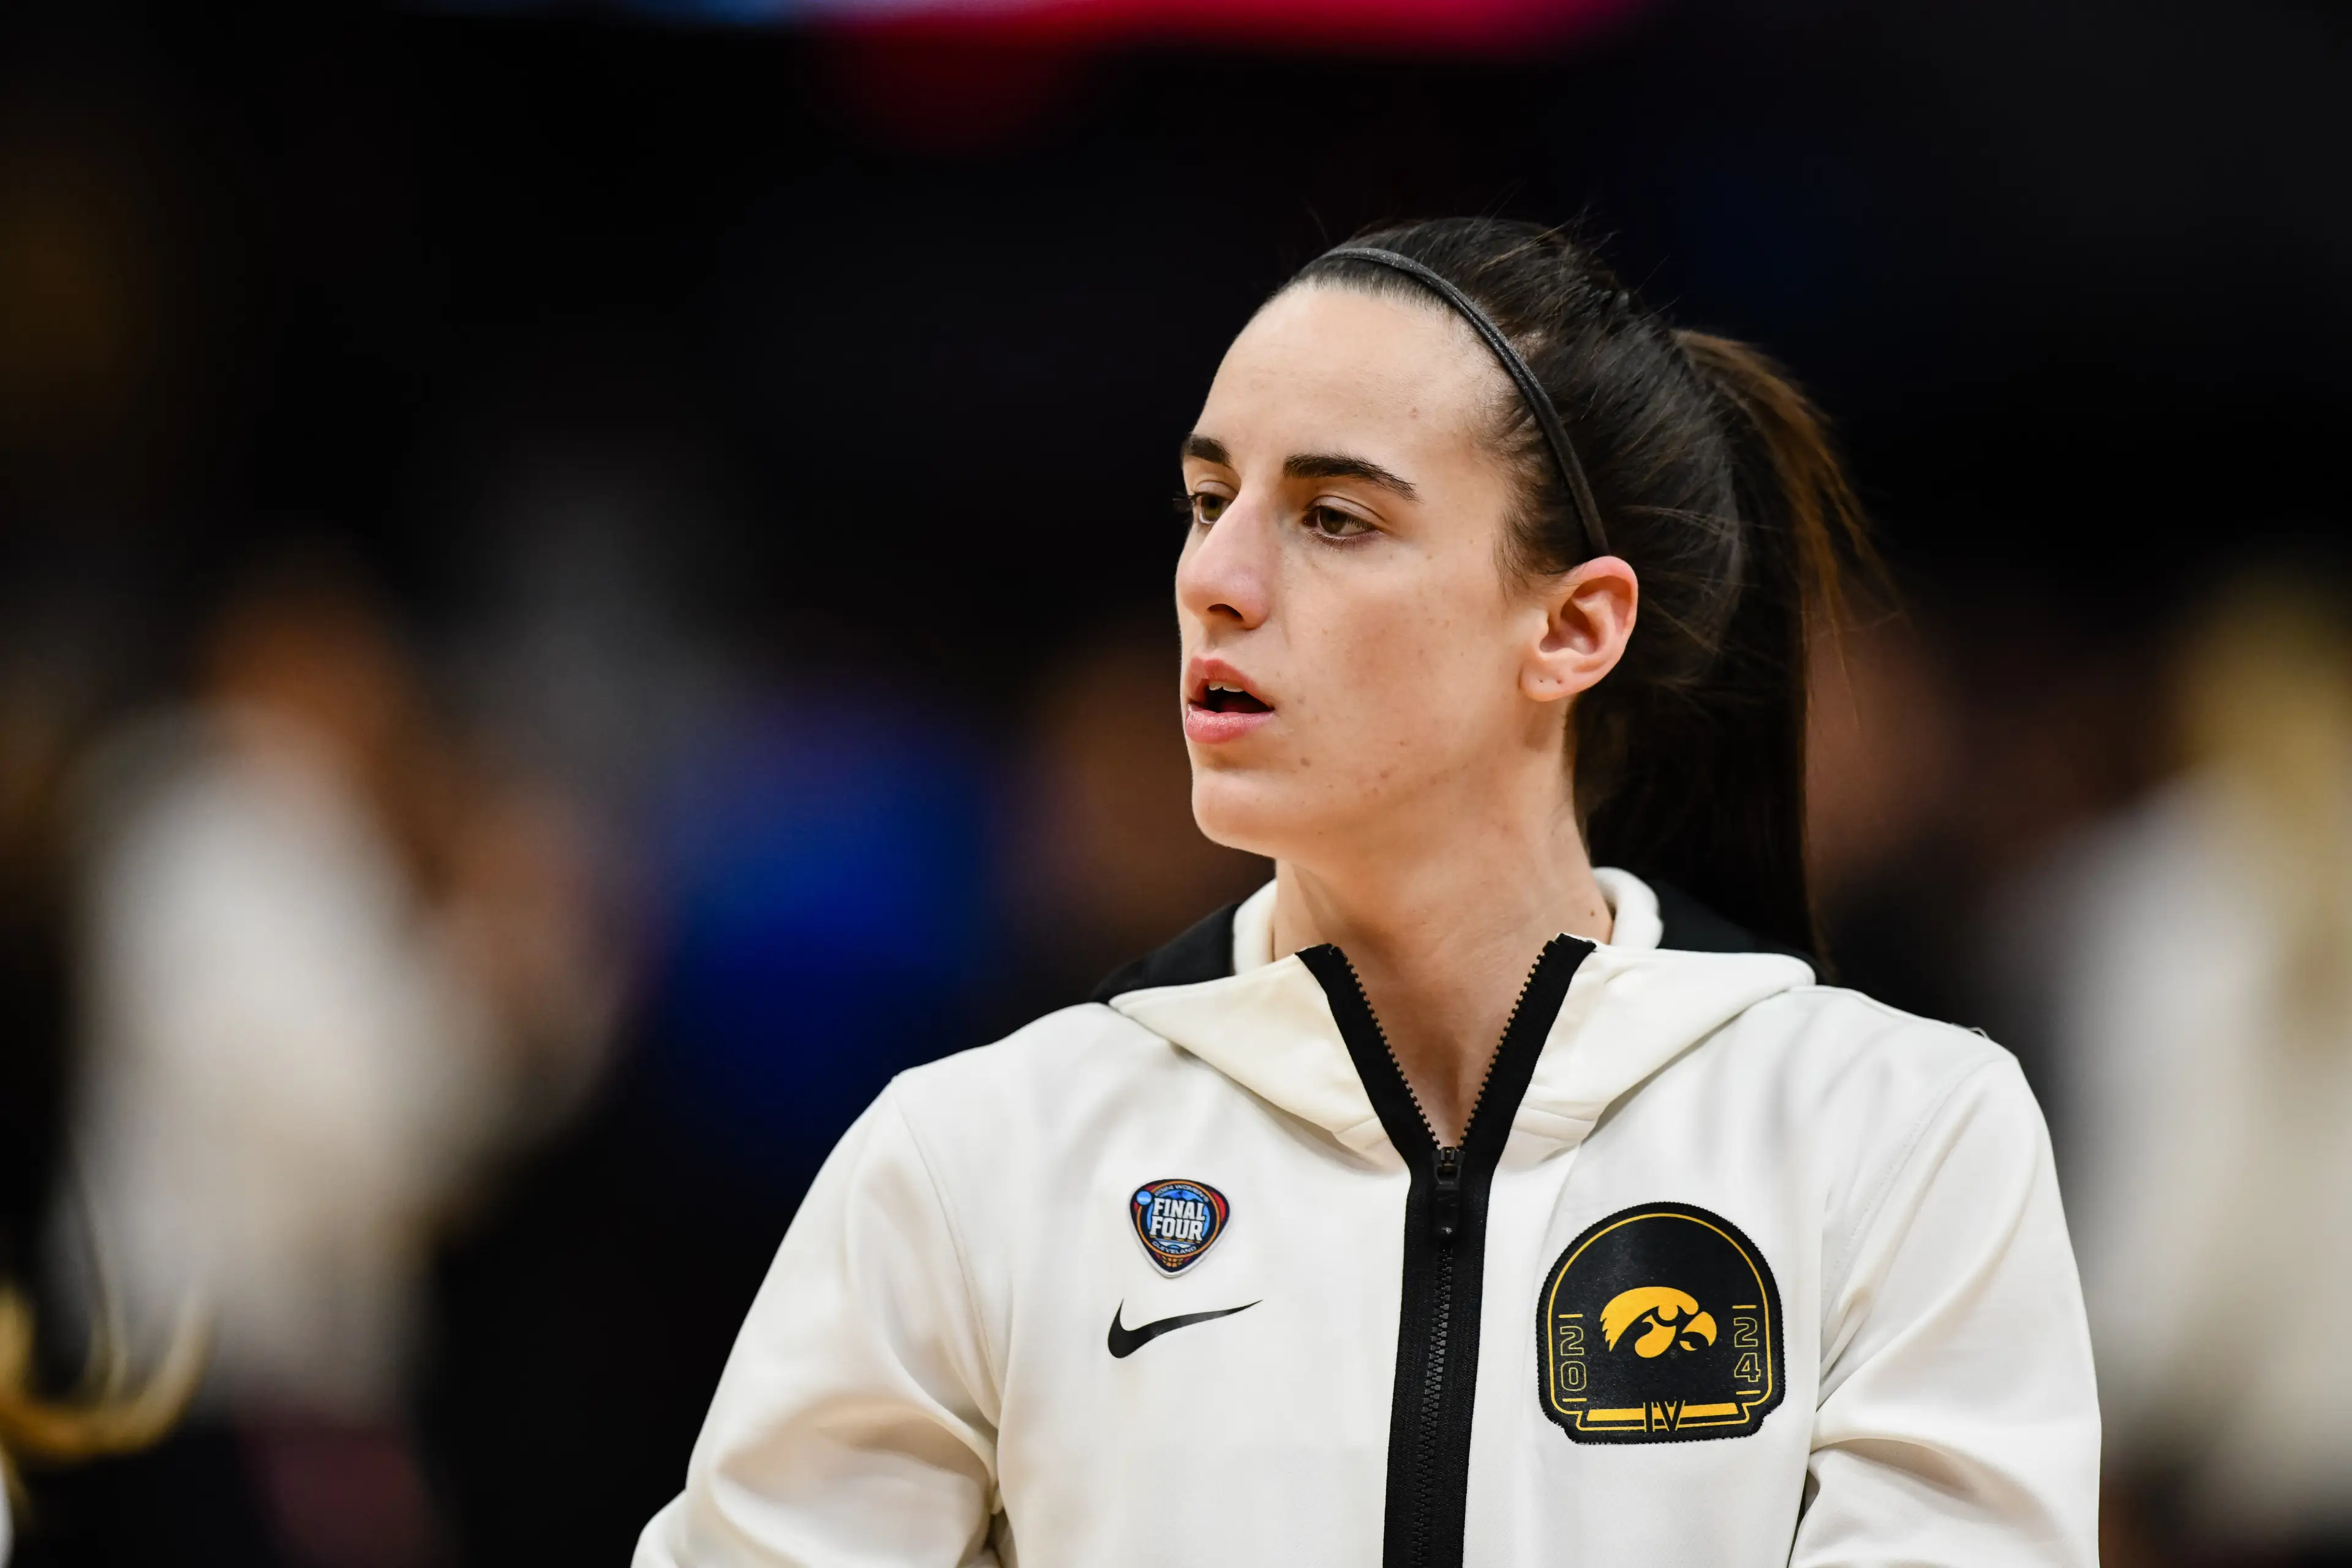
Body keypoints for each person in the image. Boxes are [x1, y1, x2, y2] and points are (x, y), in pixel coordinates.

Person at [635, 219, 2099, 1567]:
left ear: (1574, 624)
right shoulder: (975, 1159)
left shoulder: (1896, 1136)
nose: (1216, 574)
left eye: (1334, 515)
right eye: (1209, 496)